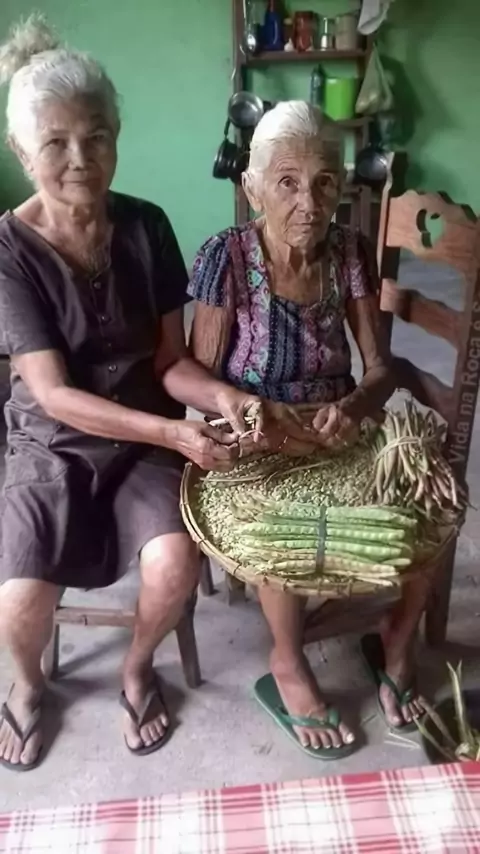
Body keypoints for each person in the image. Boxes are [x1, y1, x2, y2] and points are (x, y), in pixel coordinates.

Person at [0, 15, 257, 771]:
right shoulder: (8, 251)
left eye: (97, 136)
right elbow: (51, 394)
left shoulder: (148, 226)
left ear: (116, 137)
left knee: (175, 565)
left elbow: (171, 361)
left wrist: (220, 397)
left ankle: (137, 669)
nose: (80, 159)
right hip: (52, 443)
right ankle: (26, 684)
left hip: (145, 442)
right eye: (55, 142)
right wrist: (175, 432)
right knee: (17, 596)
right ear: (22, 151)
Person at [189, 101, 430, 758]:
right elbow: (200, 377)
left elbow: (379, 368)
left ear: (342, 186)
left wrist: (354, 407)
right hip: (258, 436)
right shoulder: (226, 258)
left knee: (430, 505)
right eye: (287, 182)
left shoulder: (349, 252)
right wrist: (249, 416)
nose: (309, 202)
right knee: (284, 529)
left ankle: (397, 642)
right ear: (253, 188)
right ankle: (288, 661)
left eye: (325, 182)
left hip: (337, 425)